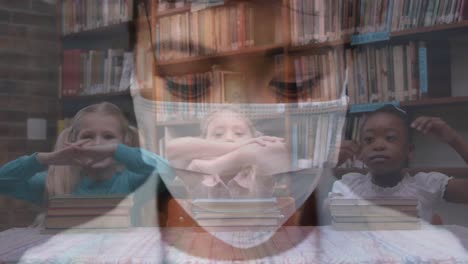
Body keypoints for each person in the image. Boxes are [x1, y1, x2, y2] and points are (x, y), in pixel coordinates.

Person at [0, 102, 171, 225]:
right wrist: (45, 159)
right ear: (73, 140)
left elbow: (169, 173)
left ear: (124, 142)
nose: (98, 144)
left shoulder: (134, 181)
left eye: (108, 137)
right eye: (88, 136)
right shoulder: (55, 183)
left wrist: (116, 150)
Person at [330, 104, 468, 222]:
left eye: (390, 138)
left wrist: (454, 140)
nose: (378, 146)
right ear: (360, 152)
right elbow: (313, 210)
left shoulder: (426, 186)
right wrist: (330, 163)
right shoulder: (349, 186)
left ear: (409, 150)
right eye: (369, 140)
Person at [165, 107, 290, 198]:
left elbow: (281, 151)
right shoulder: (199, 175)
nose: (229, 138)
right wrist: (238, 146)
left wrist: (213, 166)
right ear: (204, 142)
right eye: (218, 134)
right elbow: (172, 150)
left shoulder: (258, 174)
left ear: (254, 138)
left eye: (239, 133)